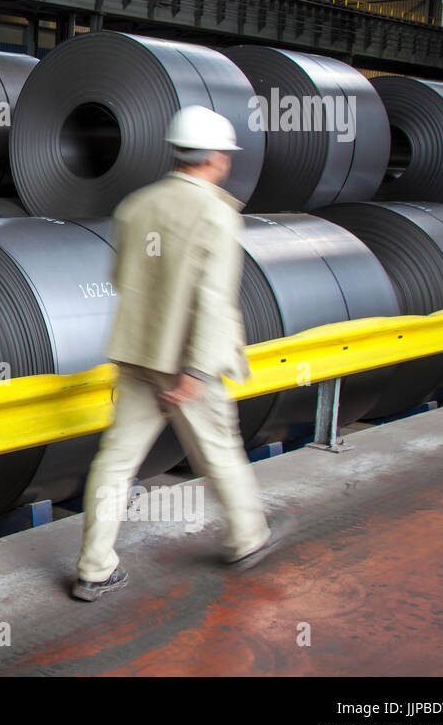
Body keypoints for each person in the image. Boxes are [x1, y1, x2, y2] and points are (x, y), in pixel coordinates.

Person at [72, 104, 291, 602]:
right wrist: (193, 370)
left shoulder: (136, 206)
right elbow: (212, 300)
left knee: (115, 461)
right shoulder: (215, 213)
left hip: (137, 356)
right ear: (213, 157)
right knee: (218, 451)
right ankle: (248, 536)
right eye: (226, 155)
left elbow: (120, 279)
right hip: (189, 364)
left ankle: (94, 568)